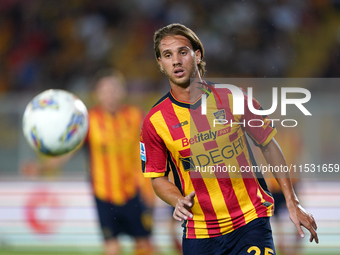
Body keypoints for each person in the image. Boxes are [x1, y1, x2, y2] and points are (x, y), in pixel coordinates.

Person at [139, 23, 318, 255]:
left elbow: (268, 145)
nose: (176, 60)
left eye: (183, 52)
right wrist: (177, 200)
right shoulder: (154, 121)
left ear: (197, 54)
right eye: (167, 55)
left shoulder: (232, 97)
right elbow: (157, 178)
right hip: (200, 232)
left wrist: (292, 201)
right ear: (161, 64)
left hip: (250, 220)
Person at [22, 71, 155, 255]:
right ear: (97, 94)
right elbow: (67, 152)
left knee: (145, 246)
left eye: (114, 89)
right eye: (105, 90)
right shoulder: (88, 120)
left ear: (122, 92)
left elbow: (155, 145)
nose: (110, 94)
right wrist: (41, 167)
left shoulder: (136, 116)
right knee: (112, 249)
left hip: (134, 192)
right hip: (103, 195)